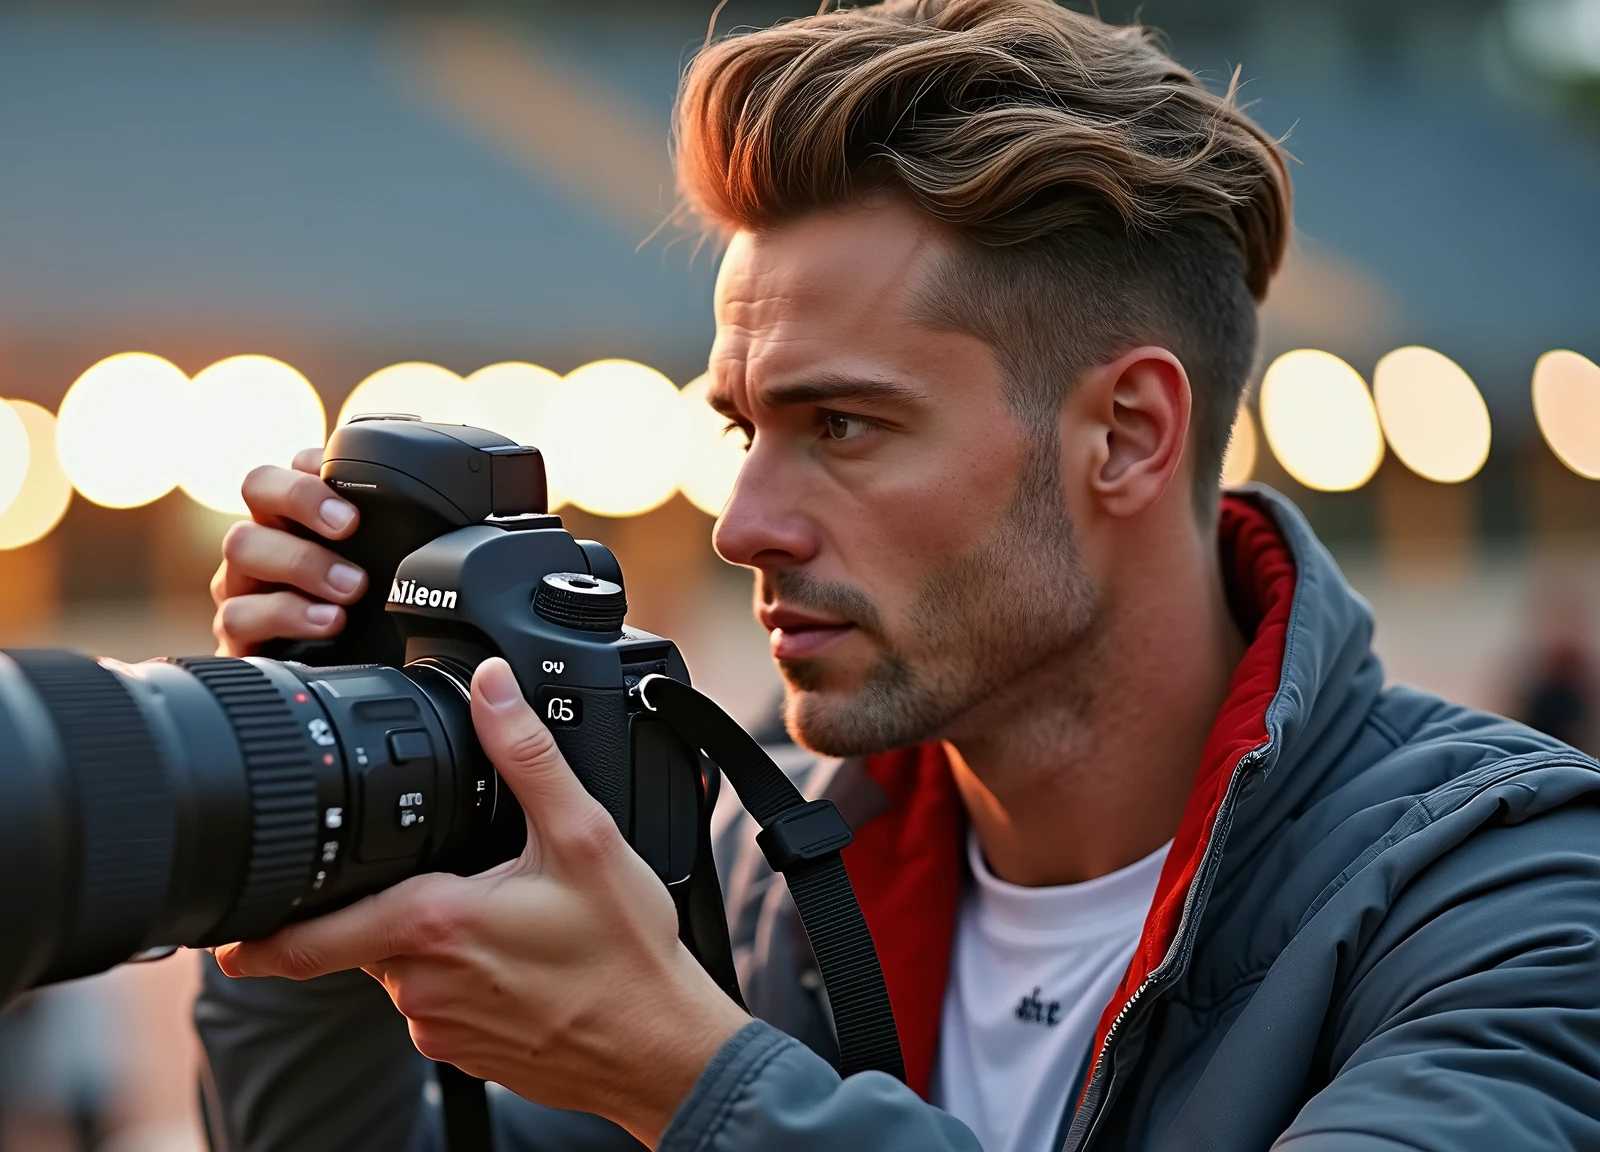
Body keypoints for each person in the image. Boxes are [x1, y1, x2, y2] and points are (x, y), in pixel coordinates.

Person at [196, 2, 1600, 1148]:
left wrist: (693, 1083)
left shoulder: (1513, 896)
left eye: (842, 427)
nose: (742, 523)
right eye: (746, 429)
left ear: (1127, 434)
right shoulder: (756, 869)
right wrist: (331, 813)